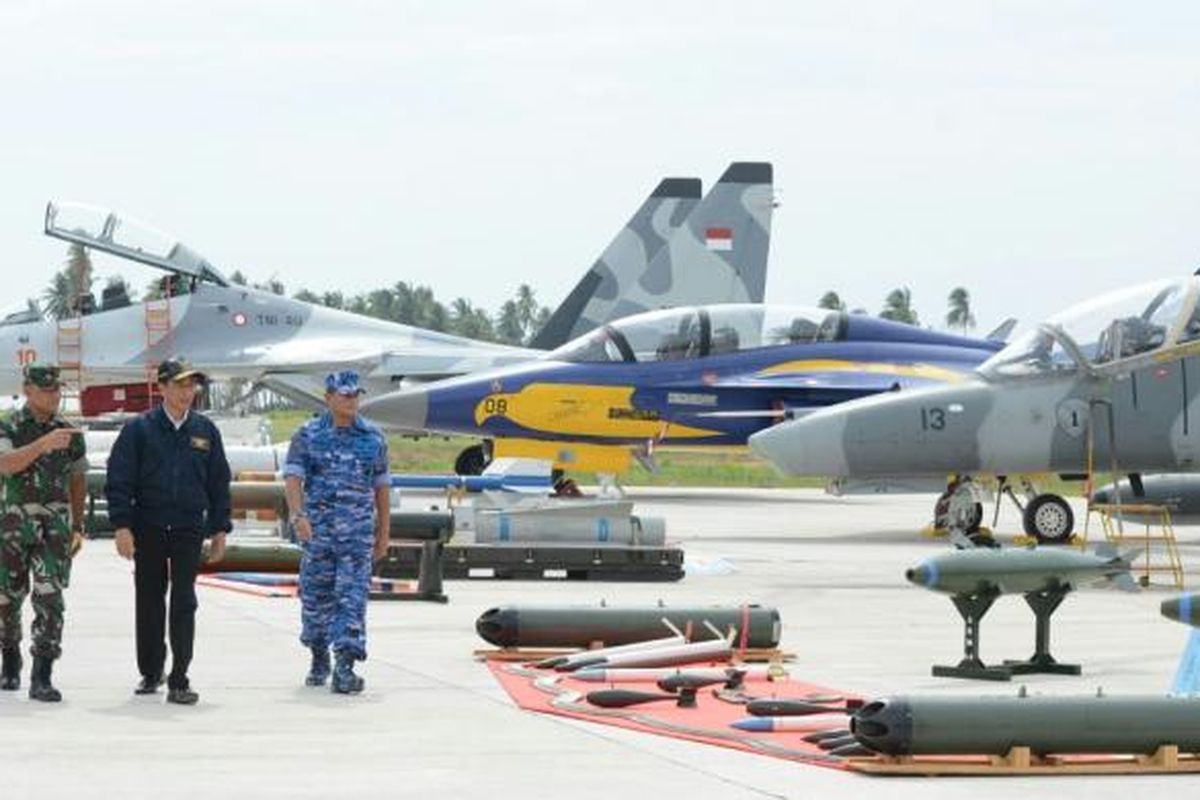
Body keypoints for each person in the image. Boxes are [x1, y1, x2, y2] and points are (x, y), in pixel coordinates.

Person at [105, 357, 231, 705]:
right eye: (179, 385)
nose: (187, 392)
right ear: (161, 387)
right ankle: (150, 671)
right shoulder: (139, 429)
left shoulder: (206, 431)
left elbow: (219, 482)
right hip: (149, 528)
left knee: (184, 602)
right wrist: (121, 527)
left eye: (192, 385)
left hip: (189, 528)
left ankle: (180, 677)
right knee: (149, 600)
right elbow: (119, 480)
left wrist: (220, 528)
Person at [283, 370, 390, 694]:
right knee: (315, 600)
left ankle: (345, 665)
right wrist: (298, 516)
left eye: (355, 395)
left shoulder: (373, 438)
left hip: (357, 538)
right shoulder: (308, 435)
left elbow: (382, 489)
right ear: (328, 398)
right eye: (344, 395)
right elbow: (293, 479)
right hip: (319, 535)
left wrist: (383, 533)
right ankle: (319, 655)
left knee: (353, 600)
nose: (351, 400)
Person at [0, 363, 86, 702]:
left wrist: (78, 525)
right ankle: (9, 657)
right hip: (11, 527)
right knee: (6, 597)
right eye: (48, 389)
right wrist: (43, 444)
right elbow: (6, 464)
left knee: (50, 596)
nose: (55, 395)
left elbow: (78, 480)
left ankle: (43, 674)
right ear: (28, 390)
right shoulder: (8, 424)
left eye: (57, 389)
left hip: (55, 528)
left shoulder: (69, 432)